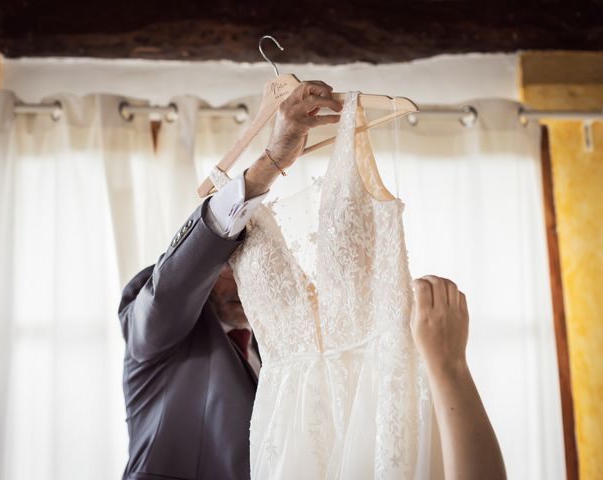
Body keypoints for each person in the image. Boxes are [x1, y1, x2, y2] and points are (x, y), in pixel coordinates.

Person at [118, 80, 505, 480]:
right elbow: (172, 286)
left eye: (245, 265)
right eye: (228, 262)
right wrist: (270, 161)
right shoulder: (158, 332)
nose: (238, 282)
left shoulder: (299, 341)